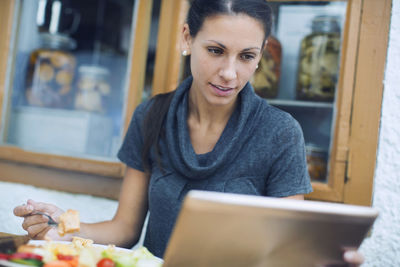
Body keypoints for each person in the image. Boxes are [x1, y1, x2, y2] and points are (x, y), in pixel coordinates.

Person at [14, 0, 364, 265]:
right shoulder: (151, 115)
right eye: (215, 51)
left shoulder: (280, 133)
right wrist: (65, 227)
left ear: (260, 57)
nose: (229, 73)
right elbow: (125, 230)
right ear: (187, 38)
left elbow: (289, 252)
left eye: (246, 56)